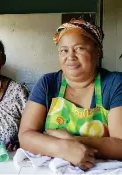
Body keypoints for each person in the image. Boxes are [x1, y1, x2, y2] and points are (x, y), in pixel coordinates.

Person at [18, 19, 122, 170]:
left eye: (79, 48)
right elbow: (25, 136)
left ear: (98, 51)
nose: (70, 56)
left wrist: (73, 140)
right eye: (64, 50)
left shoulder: (114, 84)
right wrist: (63, 148)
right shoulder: (48, 83)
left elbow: (120, 144)